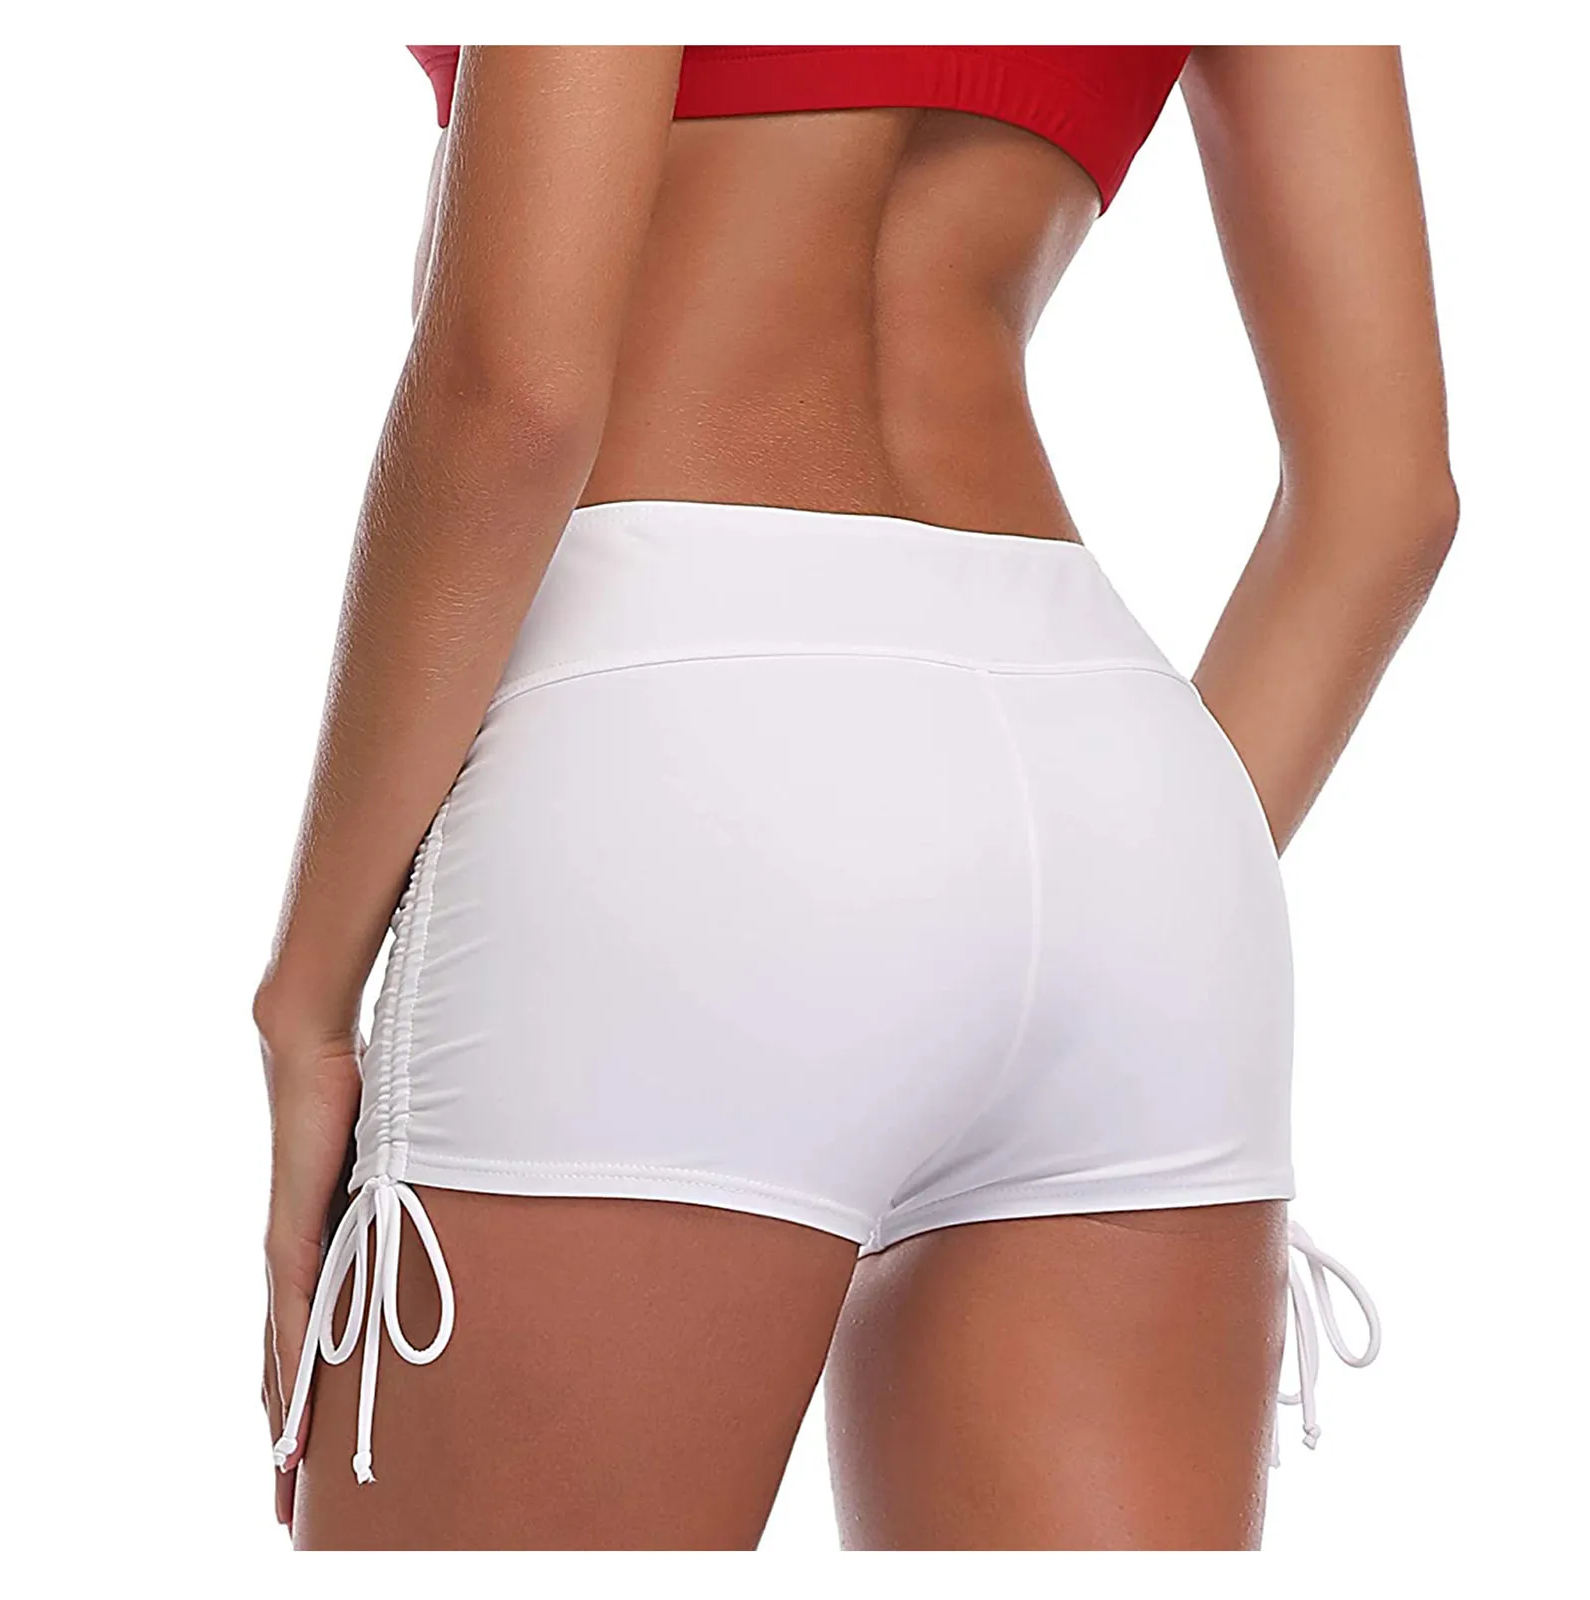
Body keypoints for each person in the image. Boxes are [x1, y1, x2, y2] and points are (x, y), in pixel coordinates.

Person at [255, 45, 1455, 1550]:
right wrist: (1087, 901)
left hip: (678, 734)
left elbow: (517, 394)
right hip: (1121, 780)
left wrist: (307, 999)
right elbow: (1387, 501)